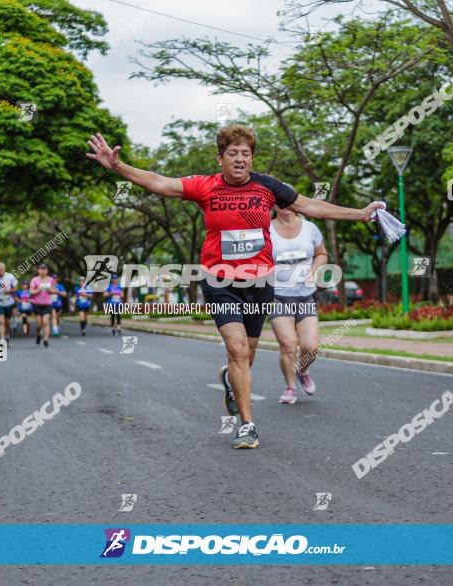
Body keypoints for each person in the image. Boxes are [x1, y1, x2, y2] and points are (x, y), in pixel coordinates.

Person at [87, 125, 384, 449]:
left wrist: (361, 215)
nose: (240, 159)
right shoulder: (205, 187)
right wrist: (118, 166)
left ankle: (230, 379)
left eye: (246, 154)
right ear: (221, 158)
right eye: (233, 153)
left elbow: (311, 206)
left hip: (259, 283)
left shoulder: (268, 187)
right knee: (238, 350)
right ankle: (247, 425)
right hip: (220, 281)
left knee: (249, 354)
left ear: (252, 158)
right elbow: (159, 182)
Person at [268, 205, 326, 404]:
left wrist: (314, 270)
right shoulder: (266, 230)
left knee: (311, 346)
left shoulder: (310, 228)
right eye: (279, 201)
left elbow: (321, 254)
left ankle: (302, 371)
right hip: (277, 296)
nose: (284, 205)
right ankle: (290, 387)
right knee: (288, 344)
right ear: (273, 205)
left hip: (305, 296)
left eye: (288, 200)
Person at [29, 263, 56, 347]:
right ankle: (38, 335)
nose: (43, 271)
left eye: (45, 269)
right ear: (38, 270)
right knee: (38, 324)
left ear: (47, 271)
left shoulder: (50, 279)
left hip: (47, 303)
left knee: (45, 322)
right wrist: (39, 289)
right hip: (37, 304)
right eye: (41, 269)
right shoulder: (34, 280)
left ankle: (46, 339)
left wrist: (49, 290)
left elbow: (54, 290)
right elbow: (31, 291)